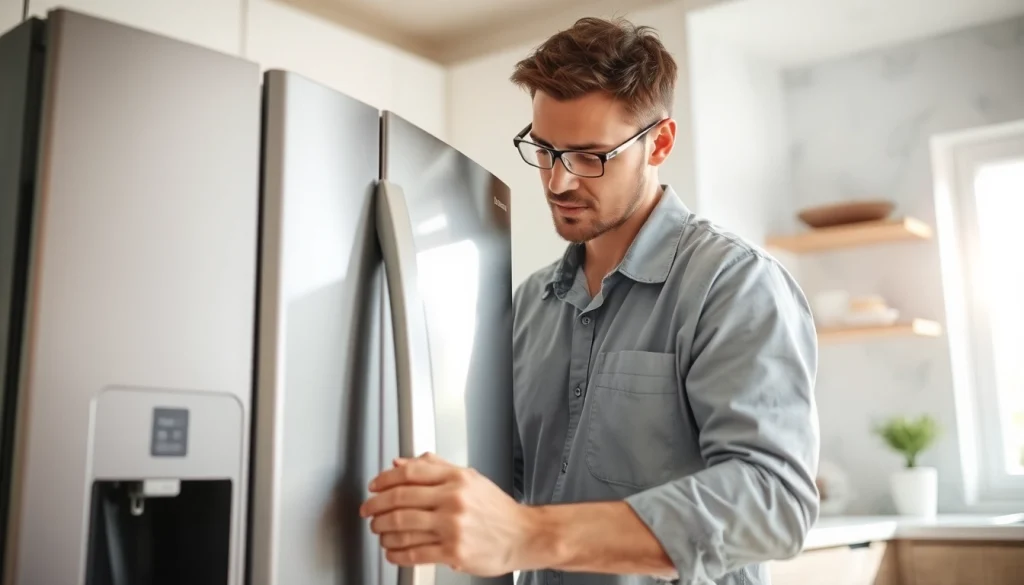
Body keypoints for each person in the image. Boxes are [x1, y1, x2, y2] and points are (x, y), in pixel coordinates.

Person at [359, 16, 820, 585]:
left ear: (661, 143)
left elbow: (773, 503)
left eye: (589, 156)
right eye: (545, 150)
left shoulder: (733, 284)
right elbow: (507, 483)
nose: (557, 182)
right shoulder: (530, 303)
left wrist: (530, 535)